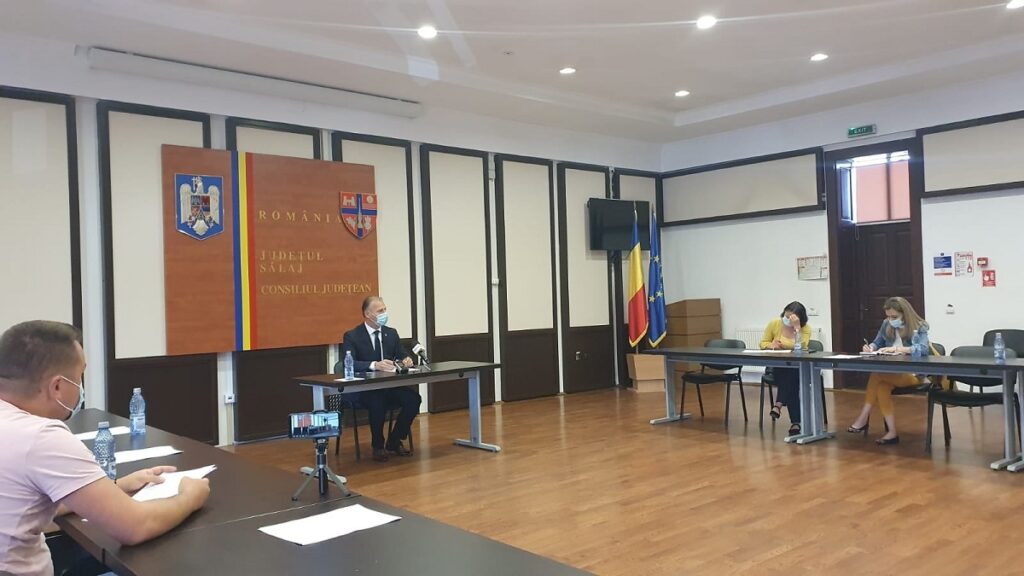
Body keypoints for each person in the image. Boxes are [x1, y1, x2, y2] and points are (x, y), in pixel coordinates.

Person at [0, 320, 210, 576]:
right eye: (79, 377)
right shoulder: (41, 437)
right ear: (57, 387)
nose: (81, 388)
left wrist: (117, 486)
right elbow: (135, 527)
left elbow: (28, 502)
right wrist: (189, 498)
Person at [342, 296, 421, 462]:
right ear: (367, 314)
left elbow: (402, 354)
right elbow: (350, 363)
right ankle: (377, 446)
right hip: (364, 390)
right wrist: (374, 365)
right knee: (377, 401)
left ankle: (394, 440)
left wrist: (407, 359)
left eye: (384, 309)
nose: (384, 313)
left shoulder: (391, 333)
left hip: (389, 386)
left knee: (413, 399)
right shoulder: (352, 336)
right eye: (380, 311)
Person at [848, 296, 932, 445]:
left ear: (905, 314)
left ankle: (863, 417)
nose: (891, 320)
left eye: (894, 317)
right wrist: (871, 347)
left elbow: (924, 349)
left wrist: (899, 349)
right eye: (888, 316)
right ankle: (892, 433)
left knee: (876, 375)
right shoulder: (886, 324)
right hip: (891, 373)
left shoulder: (919, 326)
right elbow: (878, 342)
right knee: (881, 387)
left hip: (913, 375)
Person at [759, 301, 811, 435]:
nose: (787, 320)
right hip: (776, 367)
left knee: (792, 375)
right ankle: (796, 422)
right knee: (791, 380)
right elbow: (763, 343)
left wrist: (797, 328)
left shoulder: (805, 329)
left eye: (791, 318)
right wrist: (771, 345)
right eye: (786, 316)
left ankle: (778, 405)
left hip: (798, 368)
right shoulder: (775, 323)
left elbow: (801, 347)